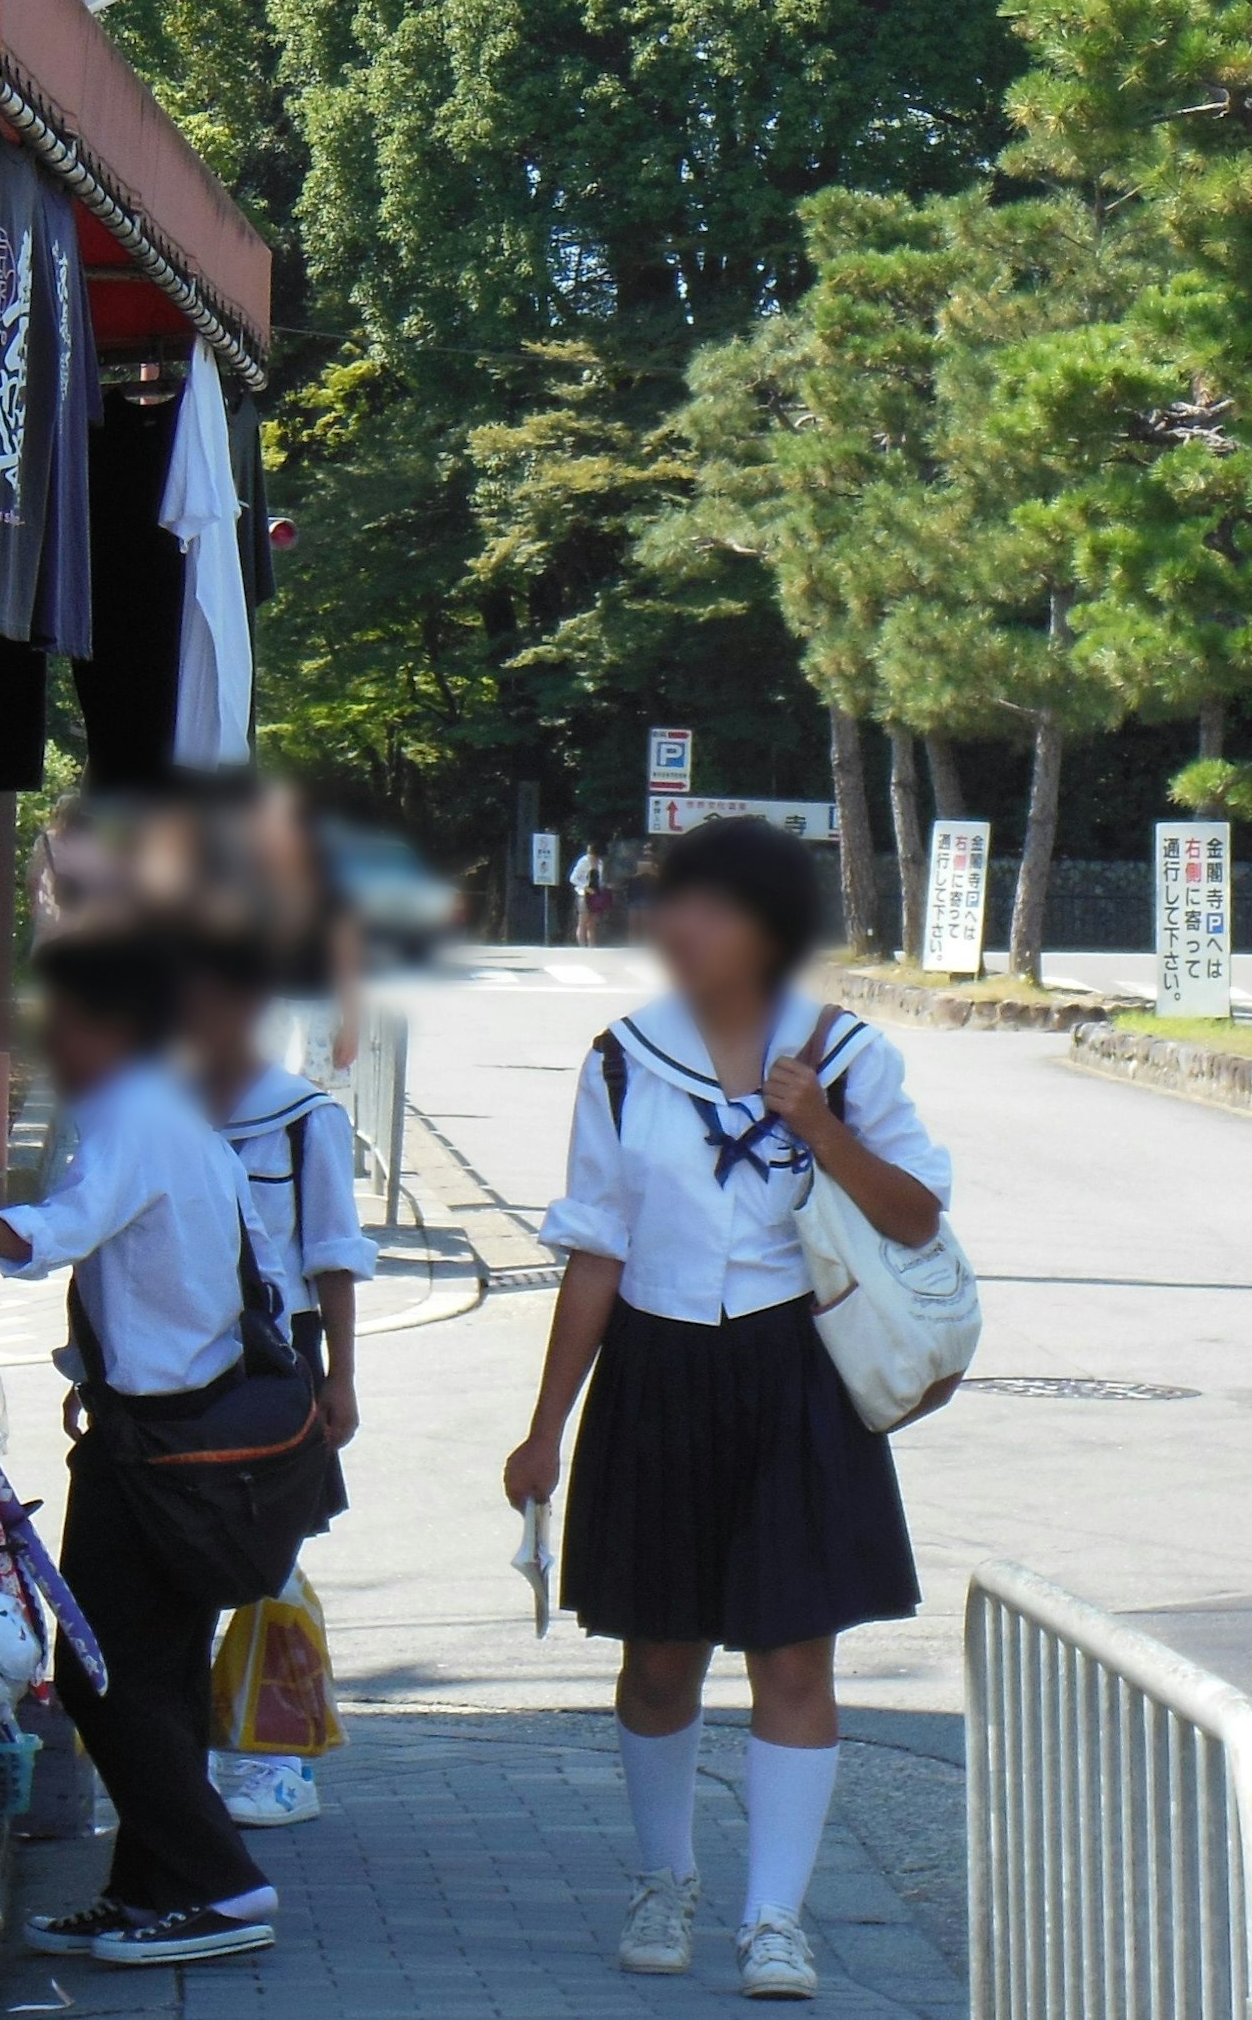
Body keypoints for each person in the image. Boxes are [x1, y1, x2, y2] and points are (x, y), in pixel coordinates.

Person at [502, 817, 954, 2001]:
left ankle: (774, 1917)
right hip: (655, 1371)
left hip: (795, 1373)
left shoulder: (850, 1056)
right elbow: (595, 1249)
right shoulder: (619, 1059)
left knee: (794, 1652)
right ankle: (666, 1879)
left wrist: (819, 1127)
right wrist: (546, 1425)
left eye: (701, 904)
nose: (674, 925)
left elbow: (915, 1216)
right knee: (659, 1649)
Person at [0, 935, 295, 1970]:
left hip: (161, 1441)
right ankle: (149, 1886)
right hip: (184, 1430)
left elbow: (66, 1223)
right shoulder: (169, 1111)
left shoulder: (137, 1112)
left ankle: (220, 1882)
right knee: (155, 1672)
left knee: (98, 1671)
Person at [190, 945, 373, 1828]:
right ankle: (190, 1743)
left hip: (275, 1351)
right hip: (176, 1353)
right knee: (180, 1553)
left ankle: (274, 1753)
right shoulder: (154, 1108)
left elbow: (334, 1255)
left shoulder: (306, 1120)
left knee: (274, 1552)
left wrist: (341, 1376)